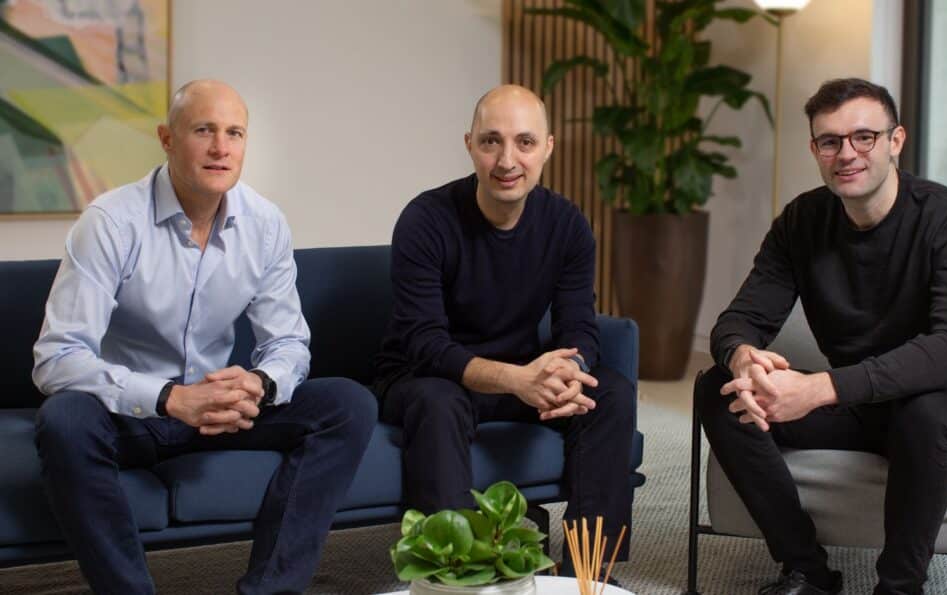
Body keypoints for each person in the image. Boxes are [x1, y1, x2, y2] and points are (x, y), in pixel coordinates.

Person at [32, 80, 377, 595]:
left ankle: (270, 591)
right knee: (64, 419)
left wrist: (258, 384)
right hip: (131, 415)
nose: (221, 147)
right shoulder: (110, 223)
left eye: (234, 133)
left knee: (348, 403)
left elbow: (288, 343)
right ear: (167, 139)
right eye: (204, 130)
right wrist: (171, 398)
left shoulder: (264, 224)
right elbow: (57, 358)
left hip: (219, 413)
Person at [695, 77, 947, 595]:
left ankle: (900, 586)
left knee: (928, 410)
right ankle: (808, 571)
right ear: (815, 149)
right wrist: (743, 356)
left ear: (895, 141)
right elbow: (738, 320)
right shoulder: (802, 220)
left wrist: (817, 390)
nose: (847, 154)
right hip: (859, 406)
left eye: (864, 137)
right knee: (718, 389)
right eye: (830, 141)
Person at [373, 84, 635, 571]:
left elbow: (578, 323)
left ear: (548, 148)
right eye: (491, 141)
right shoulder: (425, 219)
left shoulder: (567, 224)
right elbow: (425, 343)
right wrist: (520, 379)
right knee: (437, 401)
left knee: (610, 392)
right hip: (427, 375)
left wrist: (569, 370)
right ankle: (455, 571)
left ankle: (588, 570)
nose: (507, 159)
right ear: (469, 144)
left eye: (525, 142)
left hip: (522, 372)